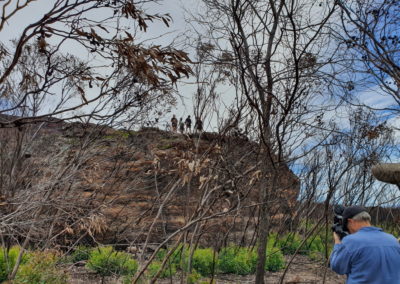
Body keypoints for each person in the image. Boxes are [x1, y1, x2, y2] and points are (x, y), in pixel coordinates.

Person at [330, 205, 400, 284]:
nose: (348, 232)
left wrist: (337, 241)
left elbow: (337, 267)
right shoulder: (393, 240)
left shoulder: (351, 241)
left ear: (350, 221)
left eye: (346, 227)